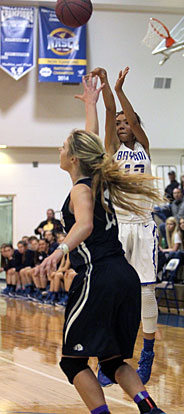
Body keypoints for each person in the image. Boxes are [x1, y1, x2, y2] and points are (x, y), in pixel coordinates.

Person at [37, 125, 165, 414]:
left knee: (72, 362)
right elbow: (90, 137)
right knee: (112, 361)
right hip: (125, 276)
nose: (59, 149)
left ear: (73, 158)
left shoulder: (81, 188)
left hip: (99, 277)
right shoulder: (98, 183)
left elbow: (85, 225)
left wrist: (57, 252)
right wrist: (93, 102)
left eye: (63, 146)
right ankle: (150, 409)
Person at [84, 67, 158, 385]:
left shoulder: (143, 147)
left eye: (127, 122)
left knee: (145, 293)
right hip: (119, 228)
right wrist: (107, 90)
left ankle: (147, 355)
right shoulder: (112, 150)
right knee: (113, 293)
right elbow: (111, 110)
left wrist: (121, 89)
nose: (122, 125)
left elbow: (127, 114)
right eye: (119, 124)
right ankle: (109, 361)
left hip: (143, 226)